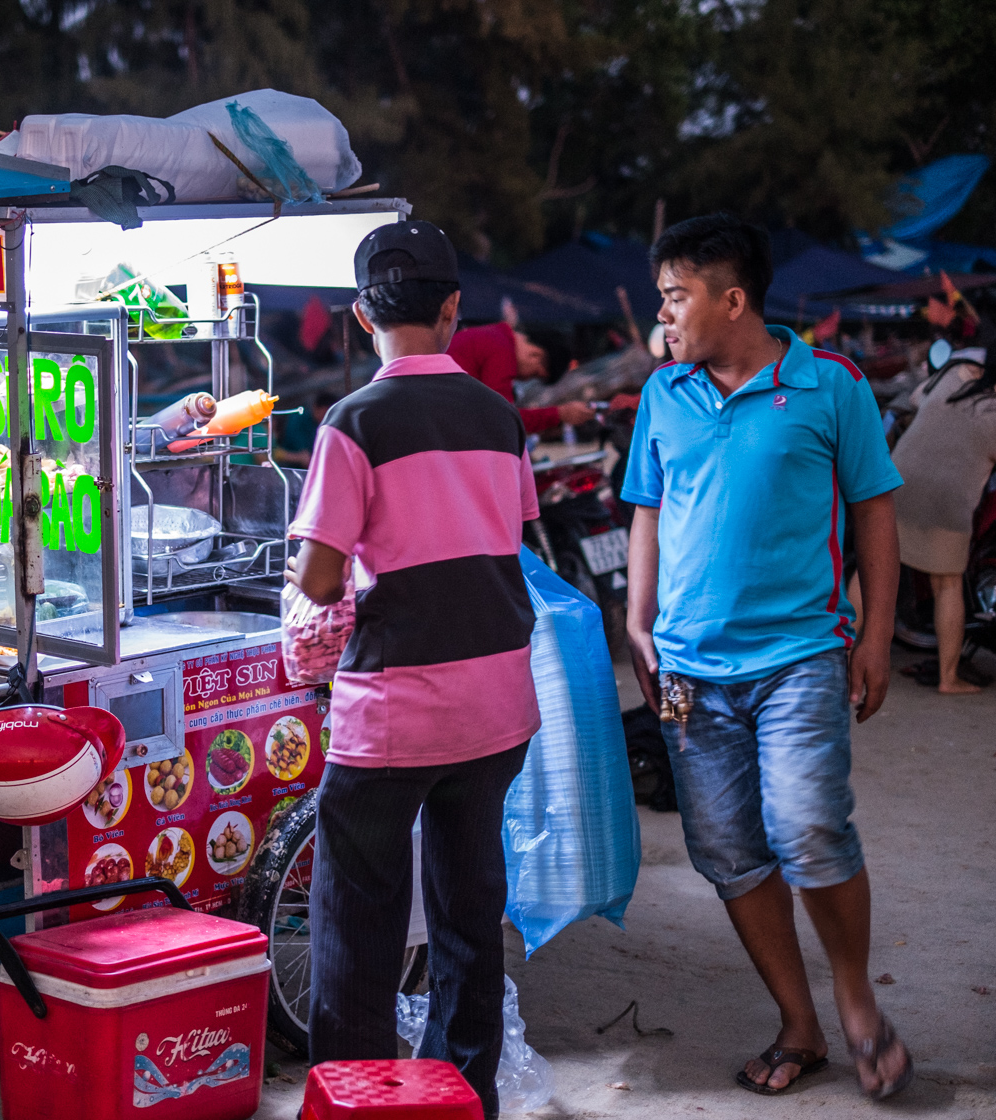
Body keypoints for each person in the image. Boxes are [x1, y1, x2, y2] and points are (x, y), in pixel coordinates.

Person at [622, 213, 913, 1100]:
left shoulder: (832, 385)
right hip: (688, 670)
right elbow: (648, 510)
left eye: (675, 296)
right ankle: (800, 1023)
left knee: (809, 826)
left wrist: (875, 636)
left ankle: (857, 1003)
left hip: (800, 656)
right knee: (729, 853)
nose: (662, 314)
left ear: (733, 300)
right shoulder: (664, 395)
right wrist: (637, 623)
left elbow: (875, 513)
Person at [288, 220, 541, 1116]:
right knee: (469, 913)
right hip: (496, 703)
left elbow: (321, 578)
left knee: (358, 924)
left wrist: (317, 566)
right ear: (452, 309)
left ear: (363, 316)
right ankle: (463, 1097)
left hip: (395, 712)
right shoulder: (500, 418)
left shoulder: (354, 422)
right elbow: (505, 536)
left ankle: (355, 1101)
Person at [891, 324, 996, 693]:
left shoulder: (958, 373)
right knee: (947, 586)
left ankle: (848, 659)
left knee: (875, 572)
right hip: (947, 503)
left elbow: (916, 399)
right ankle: (948, 678)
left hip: (896, 484)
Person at [447, 320, 595, 434]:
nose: (526, 379)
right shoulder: (502, 351)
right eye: (534, 374)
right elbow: (503, 419)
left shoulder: (494, 337)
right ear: (535, 355)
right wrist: (560, 414)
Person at [271, 392, 339, 468]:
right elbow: (303, 455)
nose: (326, 417)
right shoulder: (298, 419)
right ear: (315, 407)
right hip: (289, 465)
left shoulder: (327, 427)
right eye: (324, 413)